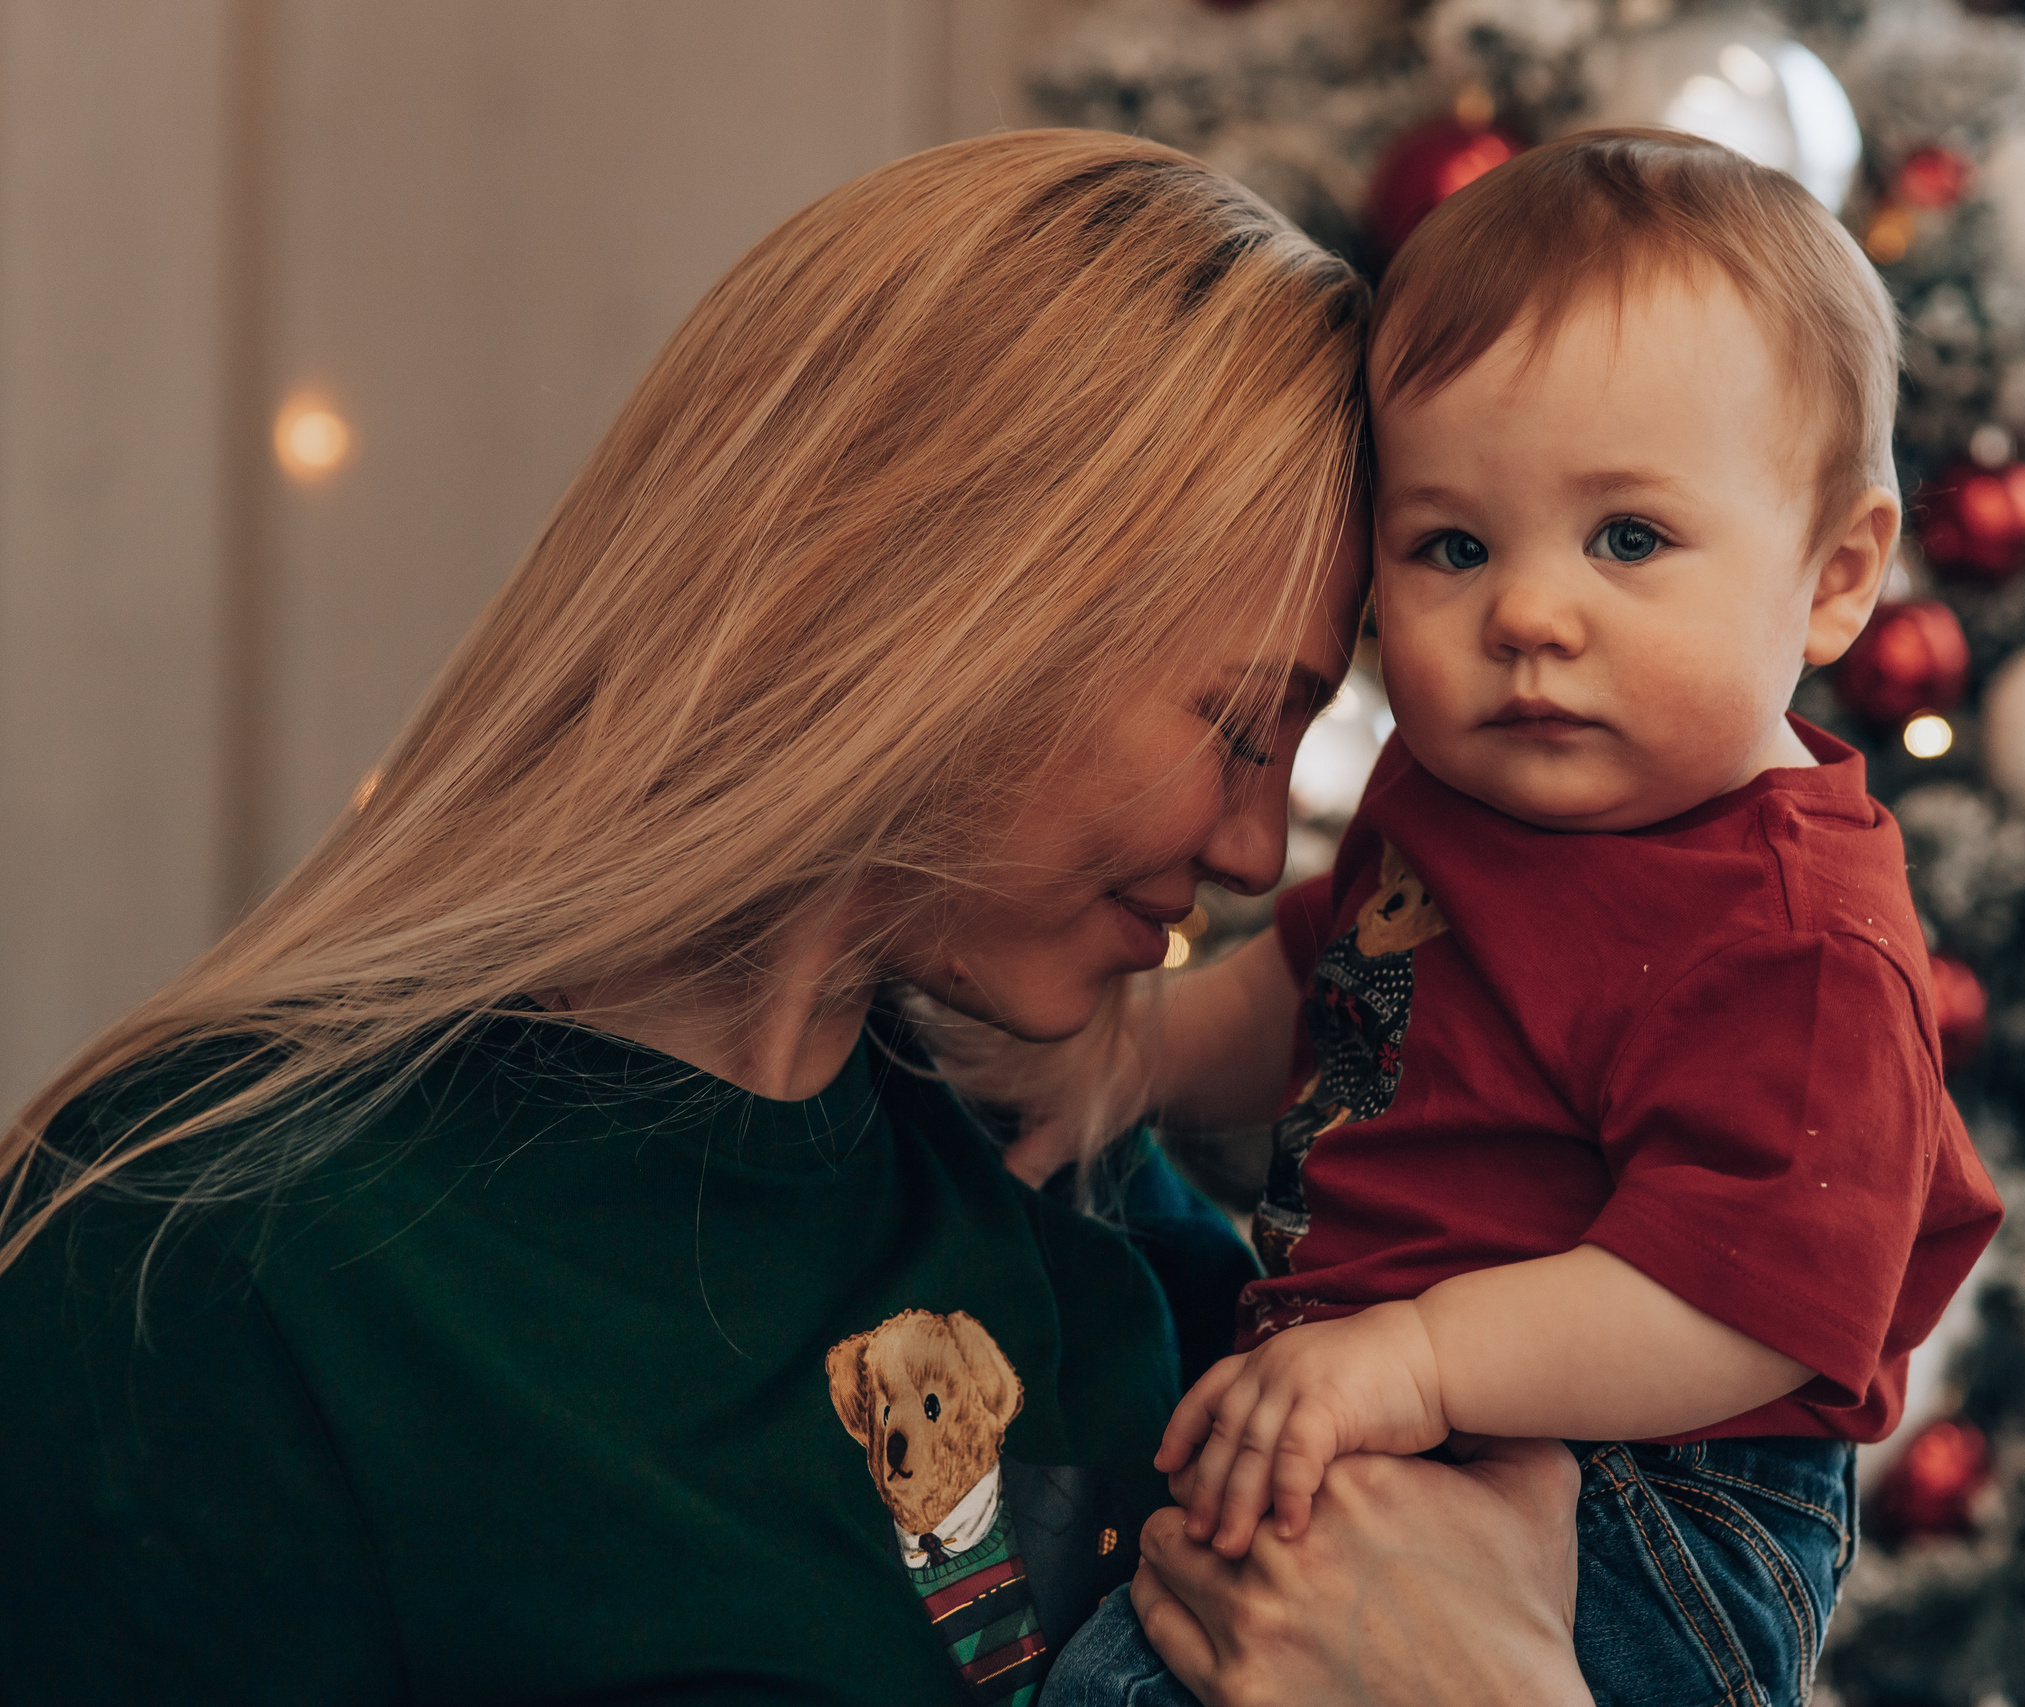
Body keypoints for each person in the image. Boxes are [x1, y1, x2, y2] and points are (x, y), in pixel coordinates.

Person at [0, 131, 1592, 1707]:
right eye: (1245, 725)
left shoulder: (1062, 1155)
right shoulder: (196, 1261)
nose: (1259, 848)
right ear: (949, 604)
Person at [1038, 131, 2006, 1707]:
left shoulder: (1795, 935)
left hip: (1651, 1496)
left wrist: (1418, 1363)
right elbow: (1342, 994)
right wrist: (1132, 1055)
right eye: (1454, 546)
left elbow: (1745, 1304)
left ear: (1835, 578)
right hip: (1376, 1396)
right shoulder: (1458, 789)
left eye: (1628, 539)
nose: (1528, 615)